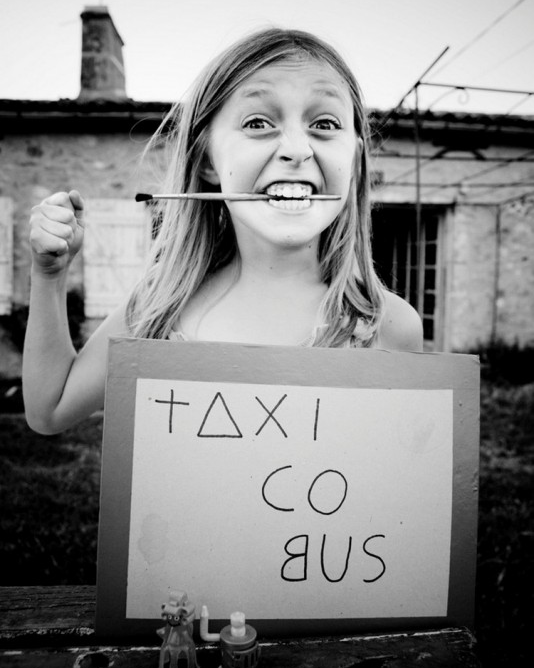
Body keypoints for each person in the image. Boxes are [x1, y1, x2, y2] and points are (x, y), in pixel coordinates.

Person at [23, 28, 423, 435]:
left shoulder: (389, 325)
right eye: (257, 122)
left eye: (325, 123)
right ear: (207, 160)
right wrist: (49, 275)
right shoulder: (159, 308)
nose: (297, 150)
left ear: (354, 159)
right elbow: (49, 411)